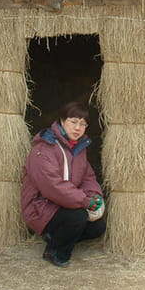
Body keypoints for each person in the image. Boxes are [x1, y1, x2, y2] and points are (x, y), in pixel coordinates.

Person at [21, 101, 106, 267]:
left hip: (64, 204)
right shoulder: (45, 148)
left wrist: (95, 197)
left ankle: (57, 236)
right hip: (40, 207)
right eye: (73, 122)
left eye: (83, 124)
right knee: (78, 217)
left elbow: (88, 177)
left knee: (98, 227)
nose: (78, 128)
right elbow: (52, 186)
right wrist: (84, 201)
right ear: (61, 121)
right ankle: (55, 252)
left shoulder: (78, 149)